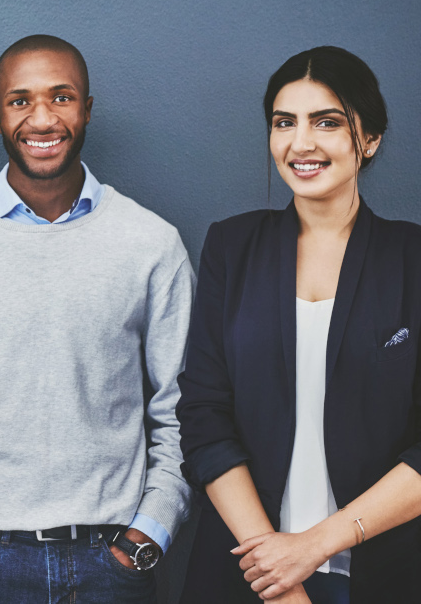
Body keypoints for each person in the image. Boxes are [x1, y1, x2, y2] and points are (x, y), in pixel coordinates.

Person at [0, 35, 195, 603]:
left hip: (119, 563)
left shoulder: (151, 243)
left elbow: (182, 409)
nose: (42, 118)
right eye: (20, 100)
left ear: (87, 109)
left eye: (61, 97)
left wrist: (147, 534)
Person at [177, 46, 421, 603]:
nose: (301, 143)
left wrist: (313, 546)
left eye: (327, 122)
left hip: (383, 573)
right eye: (284, 122)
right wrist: (278, 573)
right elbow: (203, 414)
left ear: (371, 139)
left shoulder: (413, 258)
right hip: (247, 572)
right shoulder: (231, 246)